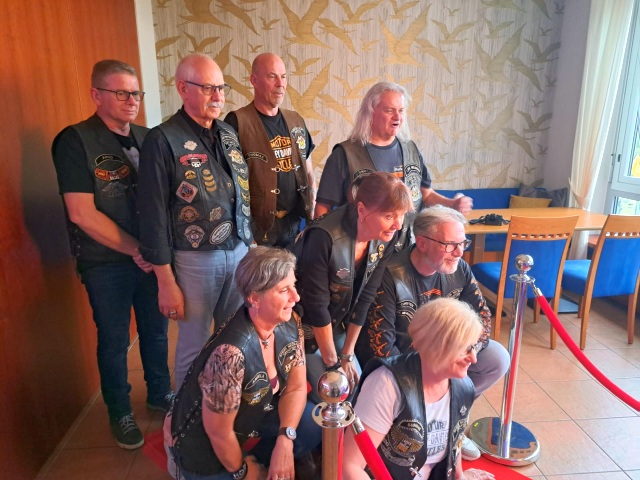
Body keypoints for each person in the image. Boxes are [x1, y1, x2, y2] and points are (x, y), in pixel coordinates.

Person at [51, 60, 172, 449]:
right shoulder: (75, 141)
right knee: (115, 339)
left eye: (136, 93)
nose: (132, 100)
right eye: (121, 93)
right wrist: (139, 250)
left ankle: (160, 393)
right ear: (96, 95)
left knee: (156, 332)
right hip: (106, 263)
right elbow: (81, 213)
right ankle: (119, 411)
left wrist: (156, 252)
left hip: (150, 258)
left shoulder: (149, 137)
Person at [354, 206, 510, 461]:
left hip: (444, 357)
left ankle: (451, 418)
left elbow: (482, 318)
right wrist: (427, 375)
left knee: (497, 357)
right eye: (450, 245)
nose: (459, 252)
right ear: (423, 243)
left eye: (463, 243)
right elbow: (381, 345)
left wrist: (461, 354)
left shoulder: (459, 268)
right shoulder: (389, 274)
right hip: (402, 362)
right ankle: (407, 424)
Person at [138, 53, 253, 389]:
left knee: (234, 337)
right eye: (207, 88)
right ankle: (185, 414)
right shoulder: (163, 140)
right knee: (195, 343)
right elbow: (153, 214)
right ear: (182, 89)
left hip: (238, 250)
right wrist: (165, 281)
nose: (218, 96)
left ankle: (225, 405)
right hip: (194, 259)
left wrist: (251, 242)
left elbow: (240, 191)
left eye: (221, 87)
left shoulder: (228, 133)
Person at [164, 246, 322, 480]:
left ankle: (267, 458)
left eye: (294, 285)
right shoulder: (229, 356)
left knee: (311, 423)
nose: (296, 297)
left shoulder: (290, 321)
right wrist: (243, 472)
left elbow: (296, 388)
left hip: (249, 418)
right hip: (203, 445)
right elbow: (218, 433)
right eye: (284, 290)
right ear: (255, 298)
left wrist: (285, 440)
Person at [294, 172, 414, 403]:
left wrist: (347, 355)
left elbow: (366, 296)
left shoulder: (387, 235)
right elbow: (316, 306)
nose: (398, 224)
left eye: (401, 215)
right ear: (362, 210)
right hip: (301, 328)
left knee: (358, 391)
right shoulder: (323, 237)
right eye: (389, 216)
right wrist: (333, 364)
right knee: (336, 394)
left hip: (336, 323)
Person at [343, 298, 495, 480]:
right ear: (437, 346)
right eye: (465, 349)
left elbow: (455, 440)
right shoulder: (387, 384)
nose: (474, 358)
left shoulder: (463, 386)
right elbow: (350, 466)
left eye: (474, 347)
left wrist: (459, 477)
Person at [315, 82, 472, 247]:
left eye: (401, 111)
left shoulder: (411, 149)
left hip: (406, 247)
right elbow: (323, 207)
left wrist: (452, 204)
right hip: (359, 249)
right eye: (389, 110)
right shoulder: (345, 154)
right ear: (370, 112)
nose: (397, 117)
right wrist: (321, 244)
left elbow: (425, 193)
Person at [225, 53, 315, 247]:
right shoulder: (237, 122)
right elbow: (230, 185)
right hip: (258, 231)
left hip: (296, 226)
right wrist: (247, 235)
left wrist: (312, 212)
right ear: (254, 80)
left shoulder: (296, 121)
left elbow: (308, 171)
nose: (280, 84)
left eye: (283, 77)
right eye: (272, 76)